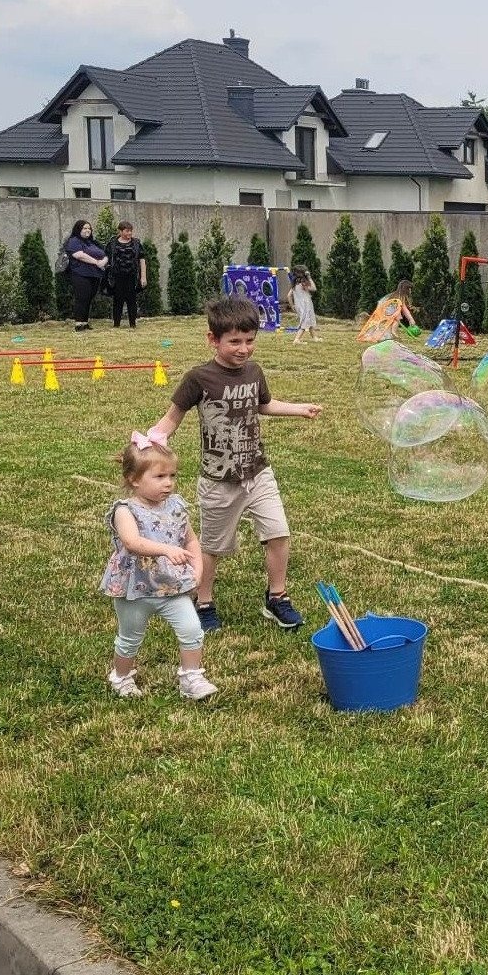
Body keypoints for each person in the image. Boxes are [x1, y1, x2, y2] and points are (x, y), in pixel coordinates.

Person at [149, 296, 324, 633]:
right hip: (219, 479)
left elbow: (265, 405)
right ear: (213, 340)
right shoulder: (199, 378)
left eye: (250, 340)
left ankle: (277, 597)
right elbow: (172, 418)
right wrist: (155, 437)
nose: (244, 348)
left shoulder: (254, 372)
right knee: (212, 548)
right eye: (235, 342)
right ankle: (204, 602)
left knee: (278, 532)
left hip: (258, 472)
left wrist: (299, 408)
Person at [100, 431, 217, 700]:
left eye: (172, 476)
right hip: (134, 589)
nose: (168, 484)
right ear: (134, 479)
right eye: (160, 477)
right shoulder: (125, 510)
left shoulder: (175, 506)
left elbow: (191, 541)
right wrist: (166, 549)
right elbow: (132, 542)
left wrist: (197, 572)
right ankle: (121, 678)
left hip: (171, 586)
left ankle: (191, 678)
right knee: (130, 639)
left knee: (192, 630)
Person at [64, 220, 107, 332]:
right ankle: (79, 324)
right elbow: (79, 255)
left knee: (89, 298)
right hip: (80, 274)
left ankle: (85, 322)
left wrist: (104, 261)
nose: (88, 230)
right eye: (84, 228)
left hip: (94, 275)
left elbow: (105, 253)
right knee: (82, 298)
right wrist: (96, 262)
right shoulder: (74, 241)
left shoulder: (93, 242)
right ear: (78, 229)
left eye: (89, 228)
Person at [106, 221, 147, 329]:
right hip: (117, 277)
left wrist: (143, 277)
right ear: (120, 231)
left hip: (132, 276)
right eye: (127, 231)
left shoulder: (136, 243)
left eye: (131, 231)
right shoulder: (113, 243)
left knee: (132, 300)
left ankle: (133, 324)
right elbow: (107, 258)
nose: (129, 233)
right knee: (117, 300)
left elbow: (142, 260)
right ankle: (116, 324)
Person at [289, 265, 318, 343]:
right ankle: (297, 339)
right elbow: (314, 288)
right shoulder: (303, 283)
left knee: (310, 321)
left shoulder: (294, 285)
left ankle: (314, 337)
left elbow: (288, 295)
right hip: (306, 306)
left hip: (299, 306)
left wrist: (292, 306)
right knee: (304, 323)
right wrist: (309, 278)